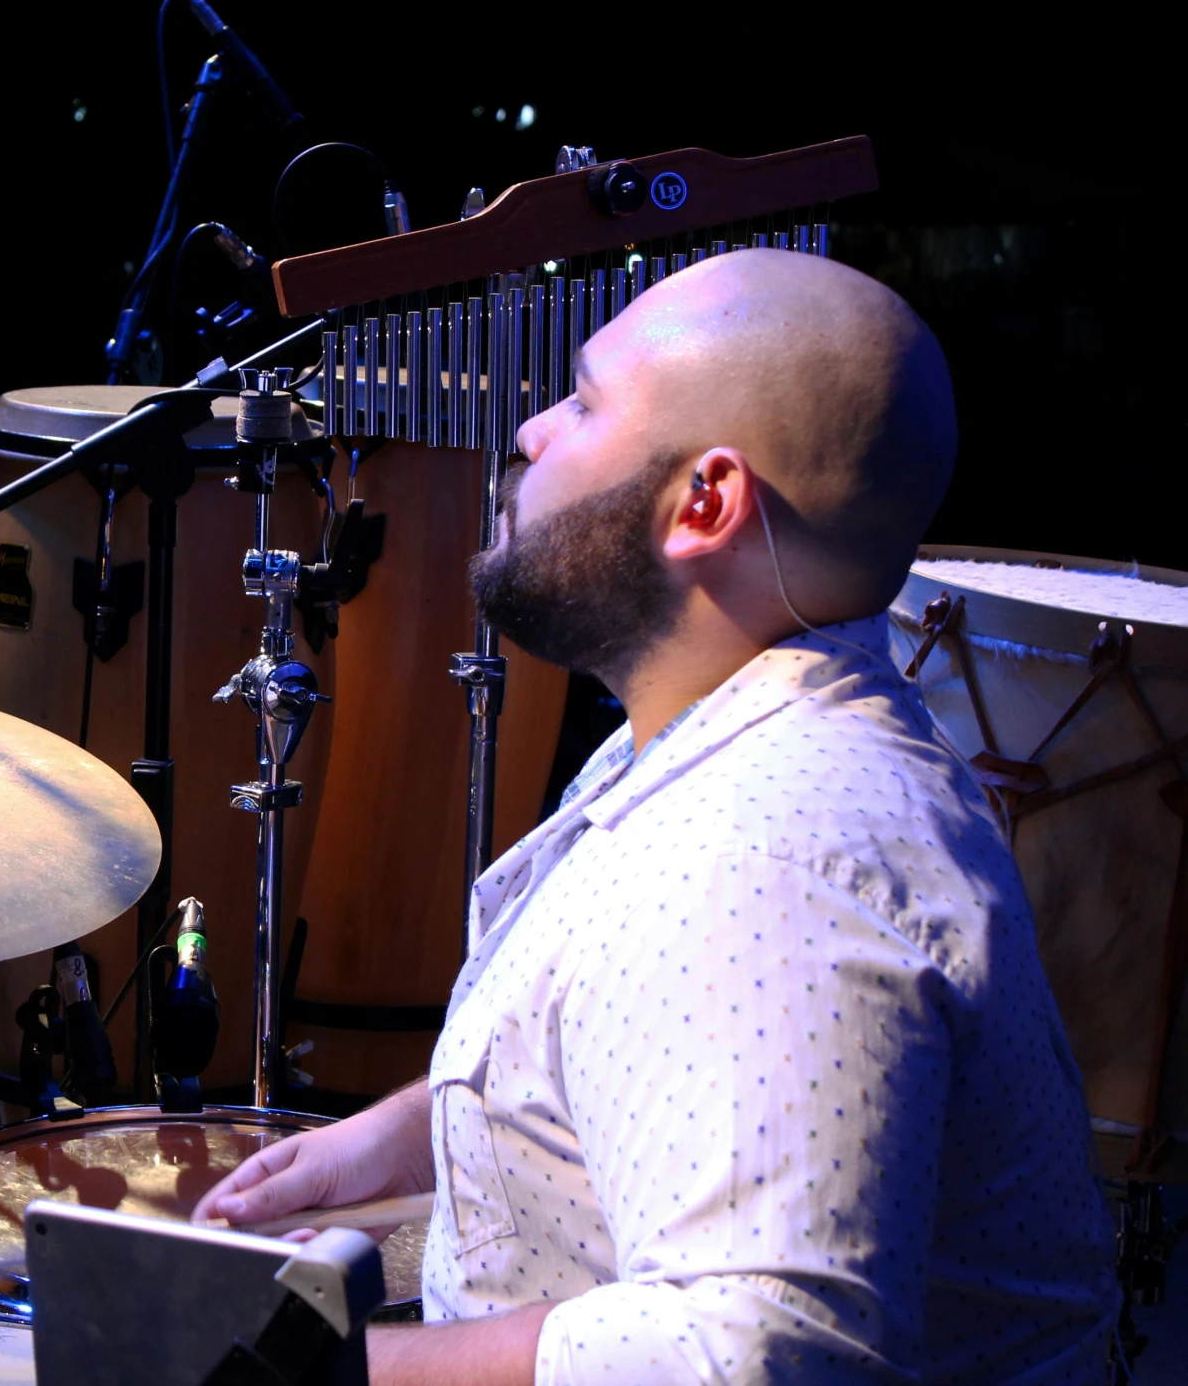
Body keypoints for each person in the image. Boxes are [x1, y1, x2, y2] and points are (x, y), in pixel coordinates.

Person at [194, 249, 1116, 1383]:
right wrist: (405, 1133)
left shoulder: (765, 854)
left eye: (582, 401)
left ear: (705, 502)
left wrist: (335, 1371)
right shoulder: (739, 730)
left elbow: (759, 1353)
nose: (532, 430)